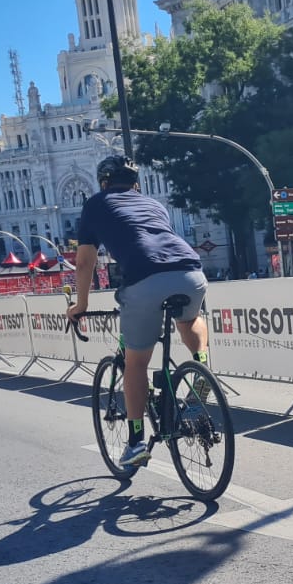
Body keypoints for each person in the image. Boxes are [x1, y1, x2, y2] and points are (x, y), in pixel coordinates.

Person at [66, 155, 210, 471]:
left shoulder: (95, 204)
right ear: (136, 184)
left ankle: (135, 443)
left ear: (104, 183)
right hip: (191, 271)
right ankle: (202, 368)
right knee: (188, 319)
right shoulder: (154, 205)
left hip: (145, 279)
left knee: (135, 364)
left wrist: (81, 305)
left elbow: (85, 262)